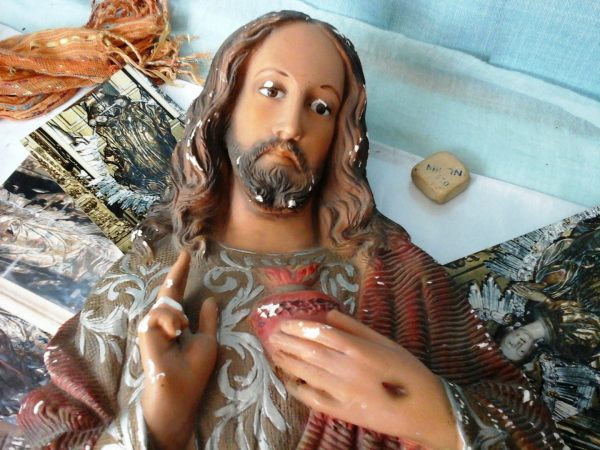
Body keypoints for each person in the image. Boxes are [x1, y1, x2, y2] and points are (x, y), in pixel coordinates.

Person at [19, 11, 563, 450]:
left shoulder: (390, 273)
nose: (290, 126)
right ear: (224, 105)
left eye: (321, 106)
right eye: (271, 90)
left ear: (342, 134)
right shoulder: (149, 275)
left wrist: (436, 417)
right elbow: (44, 433)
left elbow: (531, 425)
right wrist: (157, 421)